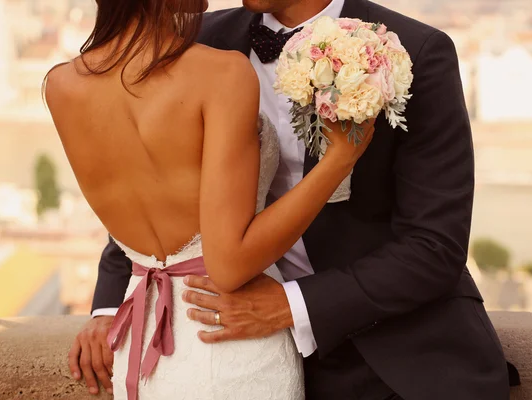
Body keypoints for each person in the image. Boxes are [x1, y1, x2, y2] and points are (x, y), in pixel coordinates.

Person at [72, 0, 515, 399]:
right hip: (234, 350)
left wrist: (290, 306)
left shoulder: (416, 51)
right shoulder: (199, 43)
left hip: (397, 354)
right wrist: (110, 305)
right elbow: (151, 181)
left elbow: (435, 246)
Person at [46, 0, 374, 398]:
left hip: (143, 338)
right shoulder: (221, 72)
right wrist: (340, 159)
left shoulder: (60, 85)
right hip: (230, 343)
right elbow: (229, 264)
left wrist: (107, 312)